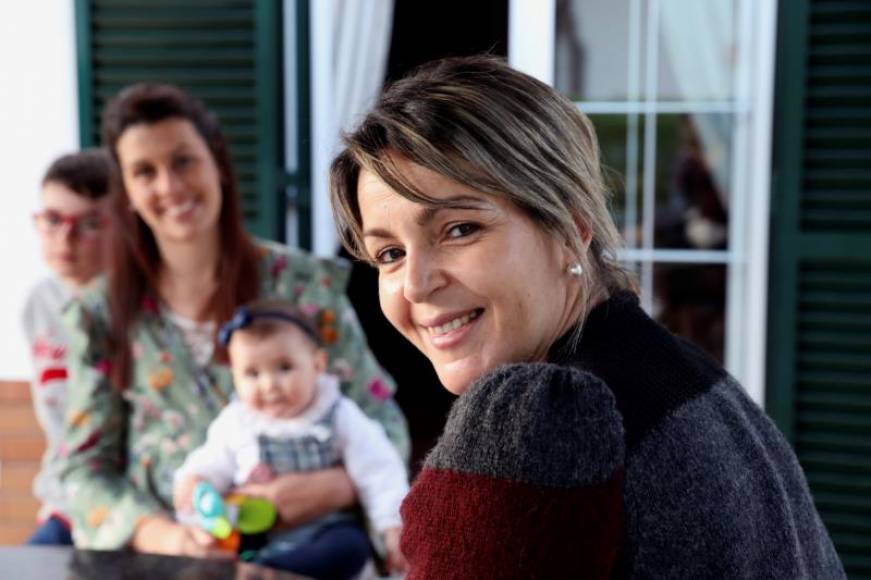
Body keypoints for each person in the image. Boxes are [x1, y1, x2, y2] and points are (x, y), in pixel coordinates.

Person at [329, 55, 846, 579]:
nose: (415, 284)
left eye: (459, 229)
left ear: (570, 229)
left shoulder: (540, 419)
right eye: (389, 254)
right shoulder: (685, 375)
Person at [60, 83, 409, 557]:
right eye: (144, 172)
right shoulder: (98, 314)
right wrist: (172, 539)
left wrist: (334, 488)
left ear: (218, 165)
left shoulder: (302, 284)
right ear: (127, 194)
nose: (170, 186)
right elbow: (82, 471)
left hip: (308, 545)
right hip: (165, 557)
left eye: (184, 161)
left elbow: (382, 422)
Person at [173, 299, 408, 577]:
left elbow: (378, 467)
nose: (269, 385)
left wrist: (391, 525)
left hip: (327, 528)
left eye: (284, 367)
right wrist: (194, 481)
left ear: (317, 364)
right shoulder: (237, 423)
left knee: (350, 547)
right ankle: (260, 567)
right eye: (252, 373)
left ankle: (271, 572)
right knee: (223, 550)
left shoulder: (337, 413)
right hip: (262, 535)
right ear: (233, 376)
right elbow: (211, 461)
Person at [22, 149, 112, 545]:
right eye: (52, 220)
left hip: (129, 507)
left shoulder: (135, 304)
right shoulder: (39, 304)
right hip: (65, 505)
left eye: (88, 223)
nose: (65, 238)